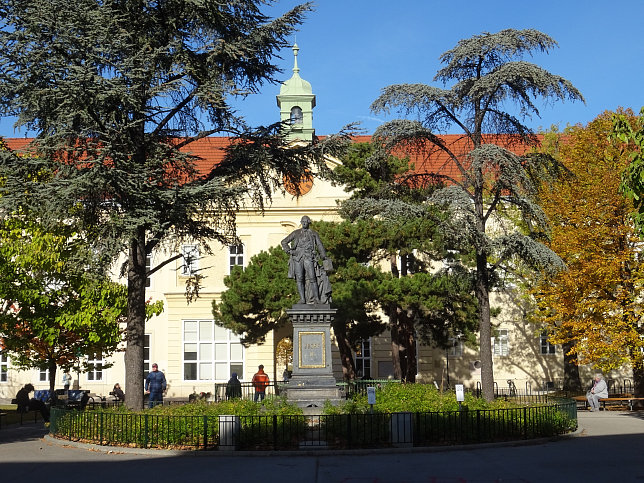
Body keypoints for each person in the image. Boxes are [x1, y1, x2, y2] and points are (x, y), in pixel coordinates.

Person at [281, 215, 332, 304]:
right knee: (300, 278)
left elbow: (319, 245)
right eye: (303, 222)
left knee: (312, 278)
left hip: (309, 257)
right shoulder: (295, 233)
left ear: (309, 223)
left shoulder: (313, 233)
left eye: (306, 222)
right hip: (298, 258)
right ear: (301, 223)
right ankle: (302, 299)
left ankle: (316, 299)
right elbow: (284, 242)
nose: (304, 223)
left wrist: (323, 256)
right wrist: (289, 251)